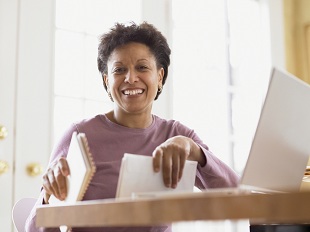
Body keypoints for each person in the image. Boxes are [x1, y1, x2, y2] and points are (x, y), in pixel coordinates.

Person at [25, 21, 239, 232]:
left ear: (160, 77)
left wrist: (195, 151)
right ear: (106, 81)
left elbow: (235, 197)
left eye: (142, 67)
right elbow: (33, 228)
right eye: (119, 70)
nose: (131, 78)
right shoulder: (79, 135)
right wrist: (48, 197)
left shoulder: (178, 136)